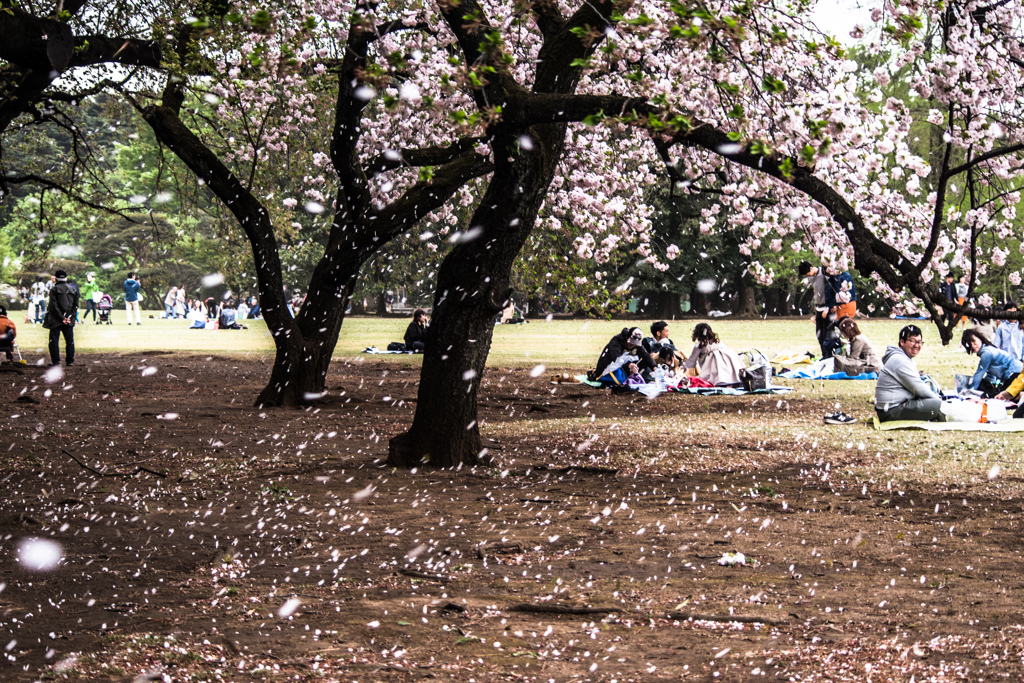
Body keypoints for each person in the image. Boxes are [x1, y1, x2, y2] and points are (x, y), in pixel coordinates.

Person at [875, 325, 941, 422]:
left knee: (934, 402)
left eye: (919, 342)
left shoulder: (904, 358)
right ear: (902, 342)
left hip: (896, 407)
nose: (916, 345)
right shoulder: (899, 360)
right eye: (913, 341)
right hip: (891, 411)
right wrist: (938, 400)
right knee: (938, 405)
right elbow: (918, 388)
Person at [961, 328, 1022, 397]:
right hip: (1015, 372)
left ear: (979, 338)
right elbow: (991, 375)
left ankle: (1022, 395)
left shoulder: (986, 353)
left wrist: (970, 391)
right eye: (969, 344)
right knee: (998, 395)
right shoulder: (987, 349)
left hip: (1015, 372)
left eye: (973, 341)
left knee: (1004, 397)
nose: (972, 345)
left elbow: (979, 374)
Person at [591, 327, 656, 383]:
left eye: (635, 343)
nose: (633, 345)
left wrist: (654, 367)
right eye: (632, 341)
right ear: (627, 337)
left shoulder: (637, 344)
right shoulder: (616, 341)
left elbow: (646, 355)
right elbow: (616, 359)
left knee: (645, 362)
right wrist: (629, 364)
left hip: (624, 367)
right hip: (609, 366)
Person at [44, 269, 80, 367]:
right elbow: (75, 306)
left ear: (55, 278)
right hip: (69, 319)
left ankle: (56, 361)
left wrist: (61, 317)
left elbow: (54, 306)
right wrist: (69, 317)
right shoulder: (73, 290)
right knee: (69, 341)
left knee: (54, 341)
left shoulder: (54, 290)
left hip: (56, 319)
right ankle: (70, 361)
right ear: (65, 278)